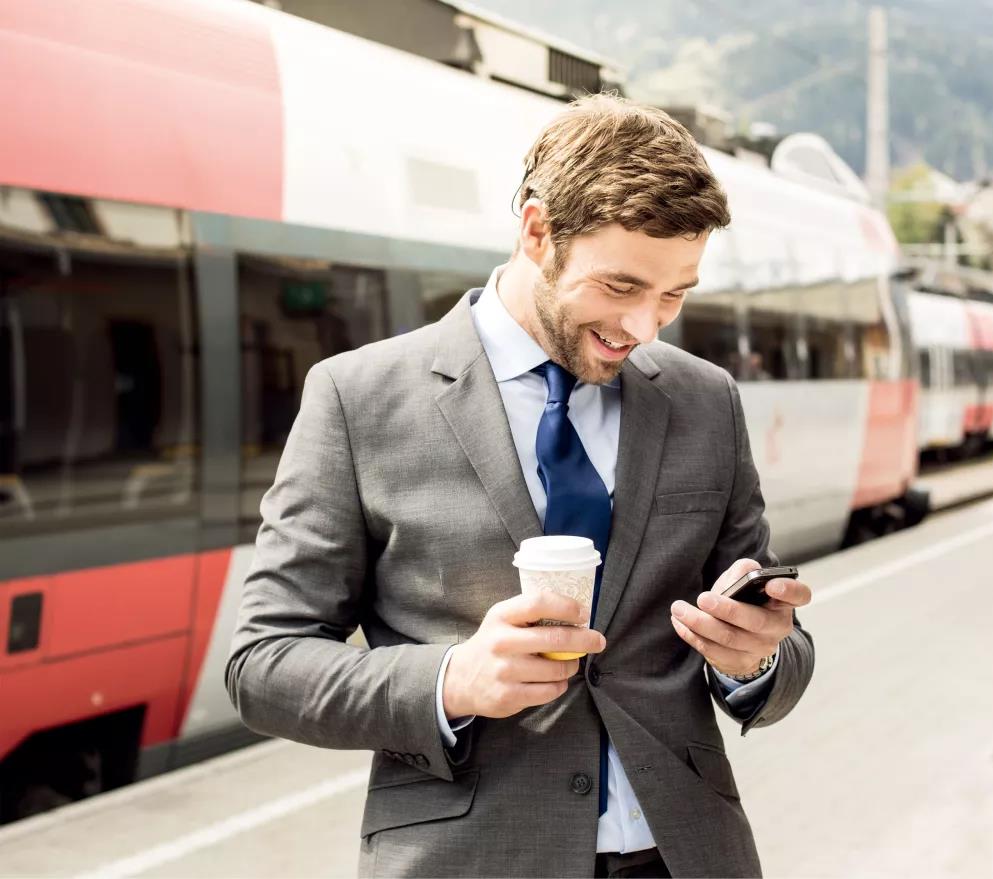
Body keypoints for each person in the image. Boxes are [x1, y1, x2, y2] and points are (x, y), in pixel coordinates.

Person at [226, 93, 815, 879]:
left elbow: (777, 638)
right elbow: (263, 662)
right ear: (538, 232)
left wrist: (757, 660)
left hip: (685, 856)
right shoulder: (356, 397)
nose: (644, 327)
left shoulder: (705, 399)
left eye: (674, 295)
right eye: (620, 287)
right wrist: (451, 679)